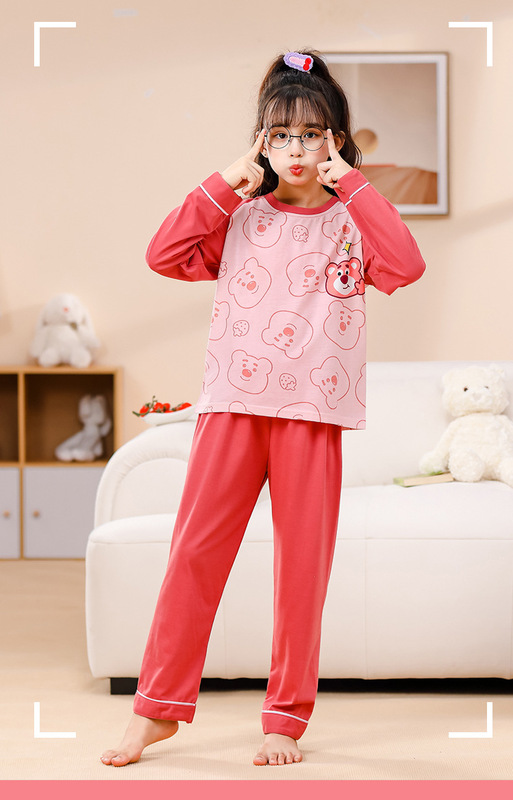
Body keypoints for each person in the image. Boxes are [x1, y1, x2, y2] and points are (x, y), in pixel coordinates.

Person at [101, 49, 425, 768]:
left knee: (301, 571)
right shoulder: (239, 216)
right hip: (232, 409)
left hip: (312, 415)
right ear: (261, 143)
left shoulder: (353, 221)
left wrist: (354, 185)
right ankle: (155, 711)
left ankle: (285, 718)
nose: (296, 149)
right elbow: (163, 252)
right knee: (193, 556)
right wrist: (226, 180)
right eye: (281, 135)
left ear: (335, 141)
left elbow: (405, 265)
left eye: (312, 134)